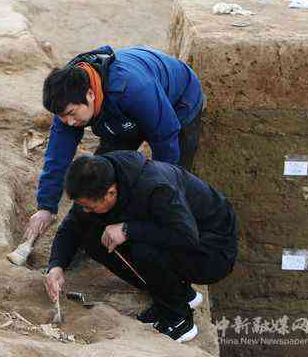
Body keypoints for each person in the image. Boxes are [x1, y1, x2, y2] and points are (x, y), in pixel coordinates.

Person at [44, 151, 237, 342]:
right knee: (92, 237)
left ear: (111, 192)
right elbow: (73, 225)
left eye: (90, 206)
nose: (85, 210)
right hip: (179, 234)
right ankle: (179, 293)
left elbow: (186, 235)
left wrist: (128, 229)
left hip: (212, 250)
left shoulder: (156, 188)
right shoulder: (100, 178)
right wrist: (56, 265)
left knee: (143, 250)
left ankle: (178, 319)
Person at [26, 45, 204, 240]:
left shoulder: (133, 89)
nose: (68, 122)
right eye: (62, 116)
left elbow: (166, 142)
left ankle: (162, 235)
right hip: (119, 112)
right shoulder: (66, 95)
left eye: (71, 114)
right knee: (97, 178)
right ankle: (92, 235)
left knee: (171, 181)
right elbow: (58, 155)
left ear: (90, 94)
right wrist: (46, 206)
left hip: (178, 99)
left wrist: (153, 200)